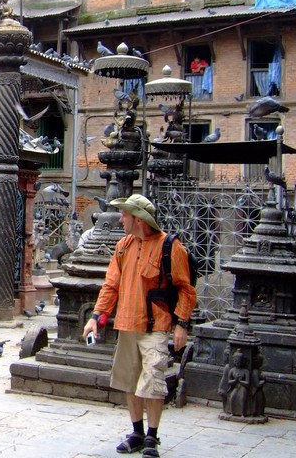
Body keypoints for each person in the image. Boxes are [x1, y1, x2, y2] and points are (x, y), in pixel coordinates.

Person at [82, 194, 196, 458]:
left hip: (156, 325)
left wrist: (182, 324)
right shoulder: (123, 246)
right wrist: (96, 317)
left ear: (139, 219)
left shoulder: (169, 247)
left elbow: (186, 289)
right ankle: (137, 432)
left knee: (153, 380)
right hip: (127, 323)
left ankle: (152, 437)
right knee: (130, 380)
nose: (121, 220)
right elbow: (111, 285)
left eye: (125, 215)